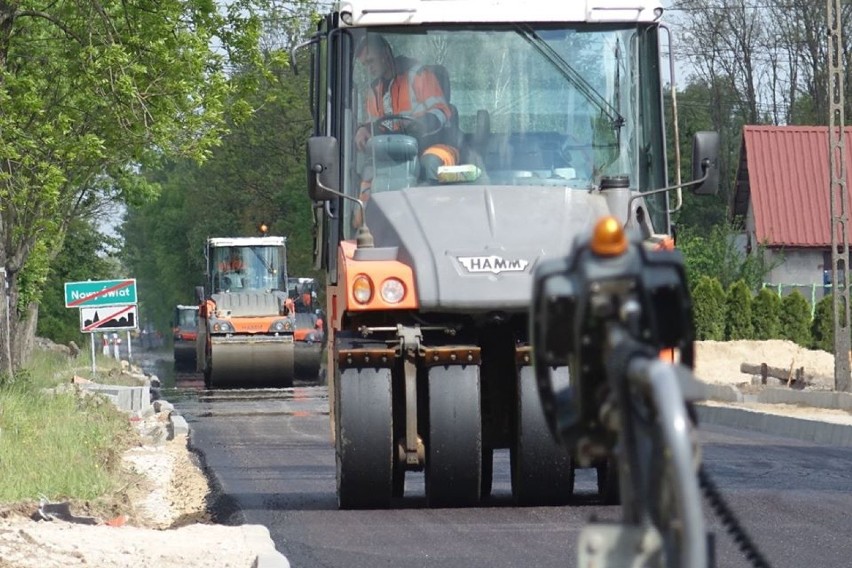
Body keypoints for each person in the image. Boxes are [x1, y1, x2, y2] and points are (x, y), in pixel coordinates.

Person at [352, 35, 459, 226]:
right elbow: (373, 122)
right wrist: (363, 129)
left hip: (435, 145)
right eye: (364, 65)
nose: (369, 68)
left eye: (371, 61)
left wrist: (423, 123)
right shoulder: (374, 90)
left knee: (429, 164)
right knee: (367, 173)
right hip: (396, 153)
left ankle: (437, 224)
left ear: (385, 54)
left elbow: (442, 111)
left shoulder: (418, 75)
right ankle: (363, 229)